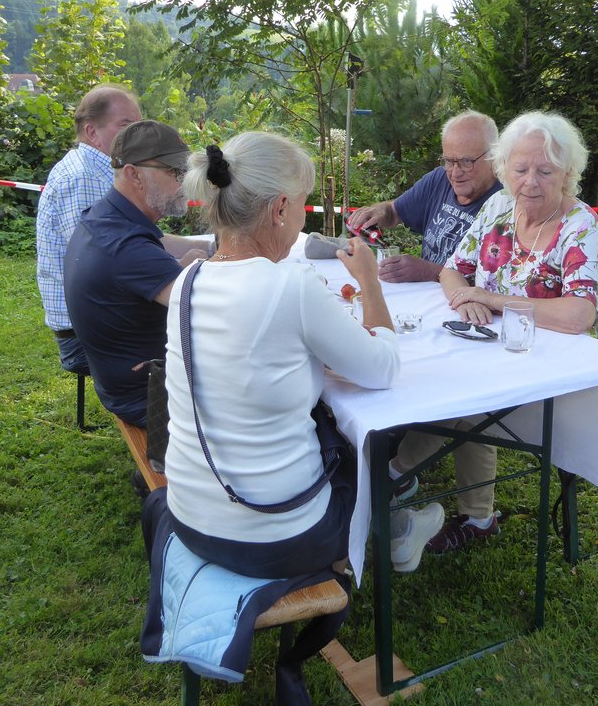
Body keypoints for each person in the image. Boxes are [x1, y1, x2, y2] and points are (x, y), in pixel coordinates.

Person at [162, 131, 401, 581]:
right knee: (368, 472)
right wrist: (369, 280)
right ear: (280, 209)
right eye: (302, 206)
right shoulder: (291, 285)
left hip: (190, 517)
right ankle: (392, 536)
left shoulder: (187, 280)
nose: (300, 223)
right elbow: (383, 368)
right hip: (275, 536)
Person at [392, 110, 598, 554]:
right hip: (503, 353)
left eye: (545, 171)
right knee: (454, 384)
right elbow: (452, 270)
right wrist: (464, 296)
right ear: (503, 169)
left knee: (466, 396)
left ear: (568, 174)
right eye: (519, 170)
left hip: (577, 369)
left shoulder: (581, 225)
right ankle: (450, 502)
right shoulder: (499, 207)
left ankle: (398, 476)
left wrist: (490, 298)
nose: (530, 182)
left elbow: (578, 316)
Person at [64, 120, 210, 428]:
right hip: (152, 399)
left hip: (128, 386)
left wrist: (211, 247)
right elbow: (211, 306)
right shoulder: (127, 247)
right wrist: (199, 266)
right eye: (175, 172)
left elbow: (160, 241)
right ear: (134, 174)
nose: (185, 183)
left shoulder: (106, 217)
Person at [36, 84, 142, 373]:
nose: (136, 134)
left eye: (138, 125)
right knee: (190, 339)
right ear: (92, 132)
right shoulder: (85, 177)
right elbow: (101, 262)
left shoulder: (99, 169)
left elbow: (123, 245)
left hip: (97, 319)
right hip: (85, 335)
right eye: (126, 125)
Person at [345, 110, 502, 283]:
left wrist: (429, 272)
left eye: (466, 162)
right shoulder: (439, 179)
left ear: (493, 156)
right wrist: (380, 212)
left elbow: (496, 286)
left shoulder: (506, 203)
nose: (455, 173)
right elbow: (394, 211)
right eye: (449, 161)